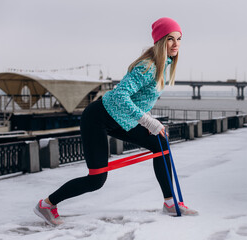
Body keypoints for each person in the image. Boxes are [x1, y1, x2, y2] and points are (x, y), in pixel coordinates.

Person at [34, 17, 198, 226]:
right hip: (98, 118)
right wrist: (148, 122)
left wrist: (149, 121)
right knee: (96, 180)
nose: (176, 44)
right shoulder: (147, 67)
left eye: (179, 39)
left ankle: (169, 203)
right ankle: (46, 205)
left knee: (160, 143)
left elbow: (139, 101)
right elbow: (121, 95)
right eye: (170, 39)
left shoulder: (162, 66)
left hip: (120, 119)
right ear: (160, 41)